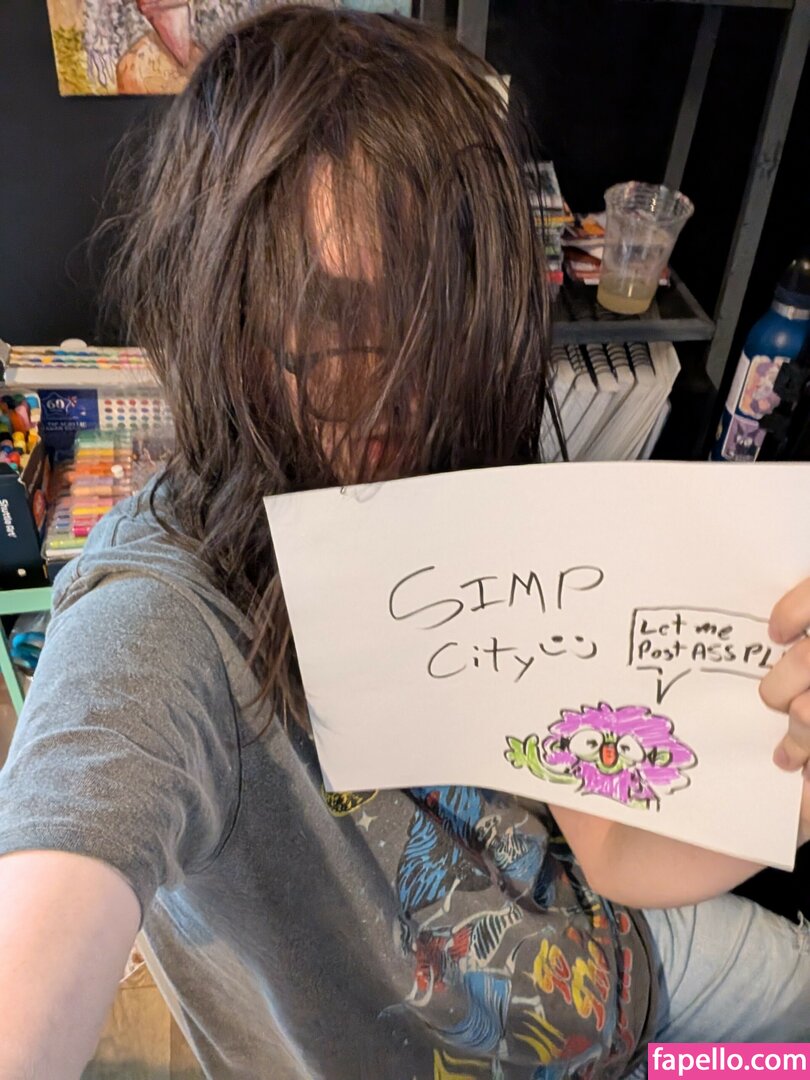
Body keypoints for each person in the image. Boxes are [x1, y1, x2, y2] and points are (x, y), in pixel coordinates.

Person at [0, 7, 808, 1079]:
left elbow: (613, 845)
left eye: (442, 326)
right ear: (221, 305)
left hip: (632, 962)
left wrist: (788, 780)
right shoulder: (164, 618)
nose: (402, 395)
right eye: (331, 319)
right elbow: (60, 860)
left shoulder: (471, 480)